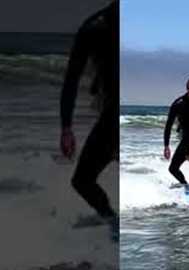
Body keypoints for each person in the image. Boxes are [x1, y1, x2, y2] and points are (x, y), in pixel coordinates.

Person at [59, 1, 119, 237]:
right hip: (111, 113)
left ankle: (115, 226)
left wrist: (66, 127)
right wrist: (66, 127)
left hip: (113, 114)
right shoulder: (94, 28)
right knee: (83, 180)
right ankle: (116, 226)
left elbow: (71, 80)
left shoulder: (92, 26)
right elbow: (72, 79)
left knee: (83, 180)